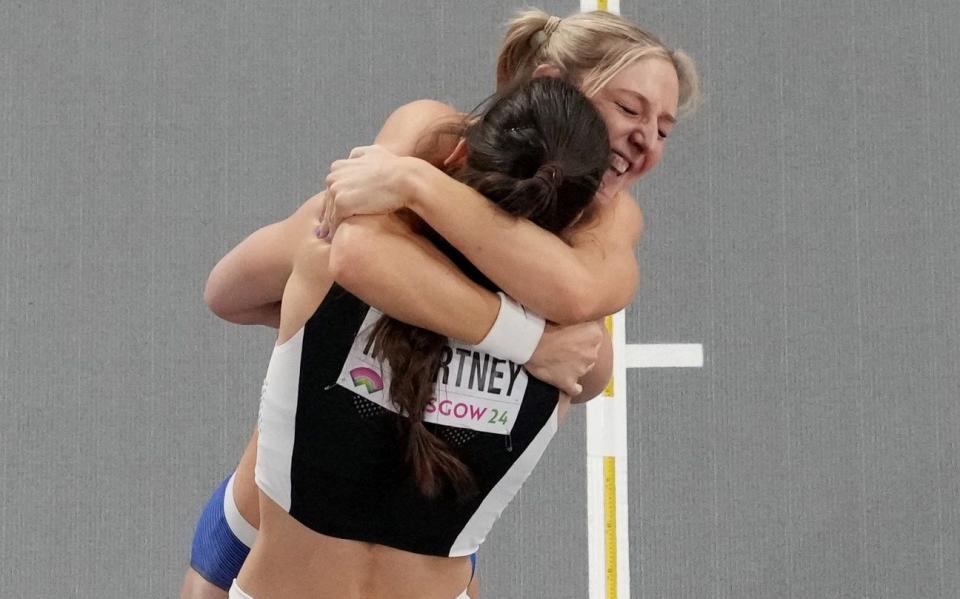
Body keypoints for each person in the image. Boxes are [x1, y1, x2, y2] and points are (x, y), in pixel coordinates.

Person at [182, 8, 700, 599]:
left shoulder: (588, 263)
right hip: (270, 520)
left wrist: (409, 191)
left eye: (664, 128)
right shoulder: (418, 162)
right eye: (630, 110)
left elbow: (249, 285)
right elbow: (284, 273)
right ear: (550, 84)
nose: (646, 139)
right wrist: (516, 340)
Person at [236, 74, 610, 599]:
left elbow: (225, 293)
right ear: (577, 216)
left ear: (459, 154)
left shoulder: (327, 251)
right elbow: (588, 286)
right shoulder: (577, 352)